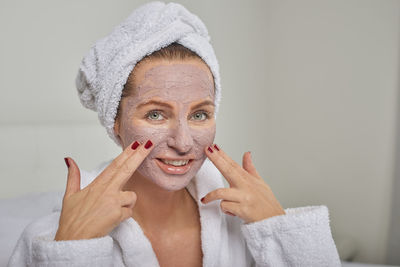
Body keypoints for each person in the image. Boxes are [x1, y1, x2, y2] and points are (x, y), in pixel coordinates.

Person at [7, 1, 341, 266]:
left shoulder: (247, 226)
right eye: (155, 114)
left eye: (199, 114)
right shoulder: (52, 240)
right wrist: (72, 251)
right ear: (116, 123)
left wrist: (280, 229)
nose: (183, 144)